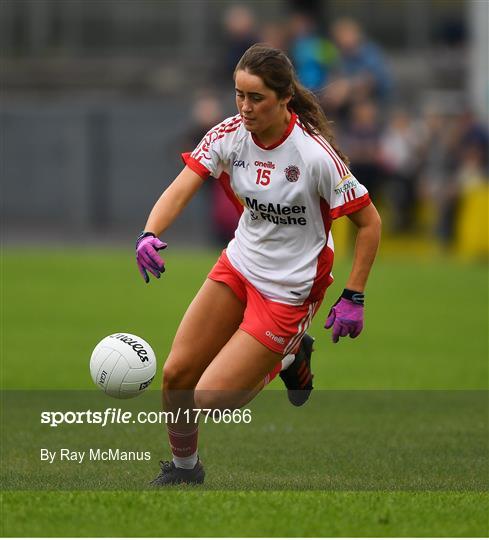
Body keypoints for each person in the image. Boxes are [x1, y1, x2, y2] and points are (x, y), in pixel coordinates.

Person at [136, 44, 381, 486]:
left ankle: (290, 355)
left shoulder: (313, 156)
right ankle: (185, 470)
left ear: (284, 98)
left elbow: (369, 223)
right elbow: (182, 186)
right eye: (238, 95)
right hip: (239, 265)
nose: (245, 108)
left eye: (256, 98)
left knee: (211, 398)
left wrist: (354, 294)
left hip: (290, 291)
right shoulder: (229, 134)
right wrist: (149, 232)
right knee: (176, 374)